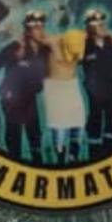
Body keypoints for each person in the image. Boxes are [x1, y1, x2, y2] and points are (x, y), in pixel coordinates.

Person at [0, 11, 50, 163]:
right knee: (14, 134)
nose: (40, 30)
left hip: (30, 98)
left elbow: (46, 73)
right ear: (29, 31)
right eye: (36, 27)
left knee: (35, 133)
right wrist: (13, 56)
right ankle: (14, 162)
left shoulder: (44, 50)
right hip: (12, 99)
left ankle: (38, 164)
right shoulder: (16, 46)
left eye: (42, 27)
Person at [43, 14, 88, 164]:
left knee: (78, 123)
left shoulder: (78, 40)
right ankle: (61, 158)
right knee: (59, 126)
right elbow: (38, 40)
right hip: (55, 87)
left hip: (71, 85)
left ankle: (73, 155)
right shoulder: (52, 42)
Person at [82, 9, 112, 159]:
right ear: (89, 26)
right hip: (95, 93)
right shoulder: (84, 45)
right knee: (95, 123)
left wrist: (111, 35)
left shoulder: (109, 42)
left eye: (102, 23)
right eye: (97, 24)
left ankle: (109, 152)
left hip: (111, 90)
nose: (101, 26)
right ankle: (93, 155)